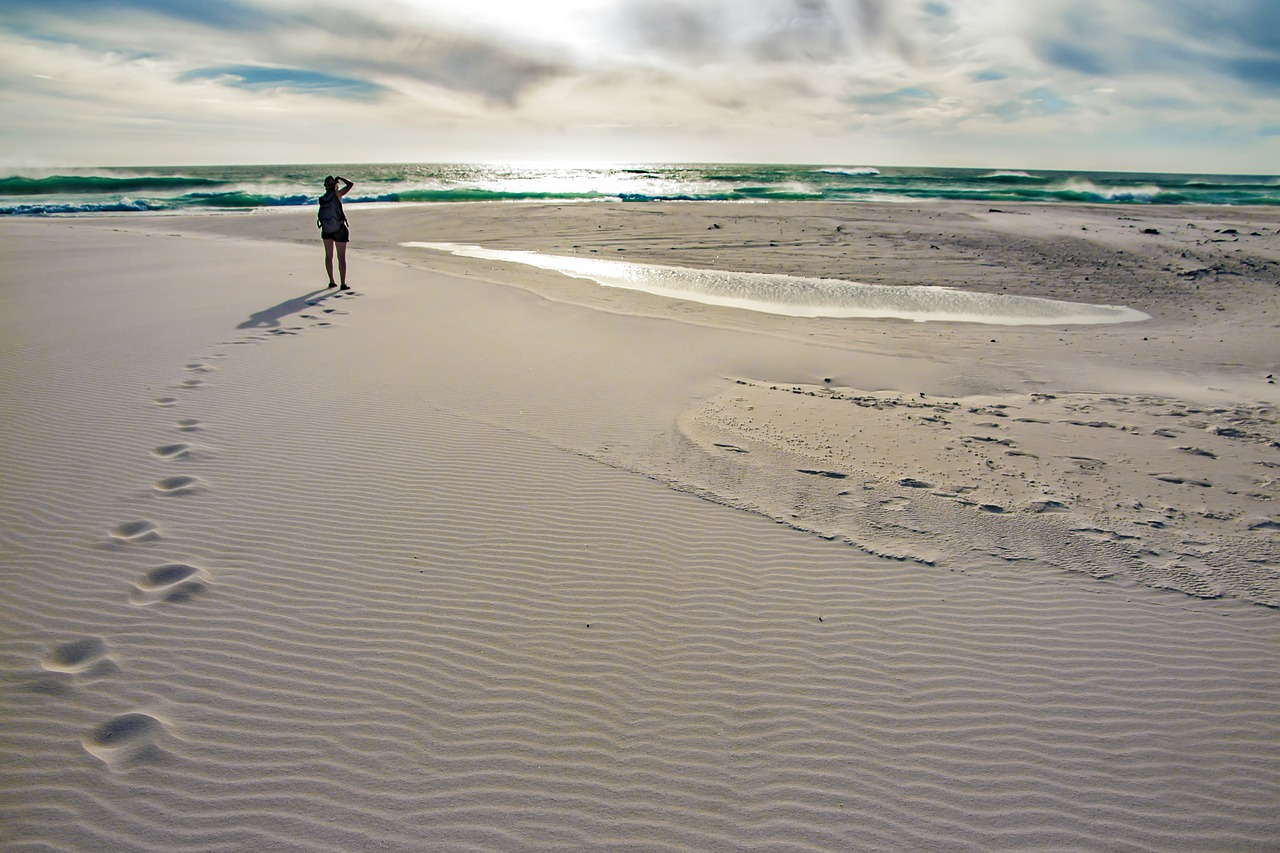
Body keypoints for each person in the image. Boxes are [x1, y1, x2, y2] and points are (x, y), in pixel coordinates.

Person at [318, 175, 354, 289]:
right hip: (339, 228)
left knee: (328, 256)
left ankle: (332, 281)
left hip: (326, 229)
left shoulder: (322, 199)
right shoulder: (337, 195)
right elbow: (350, 185)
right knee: (341, 258)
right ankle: (343, 283)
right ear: (335, 185)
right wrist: (340, 178)